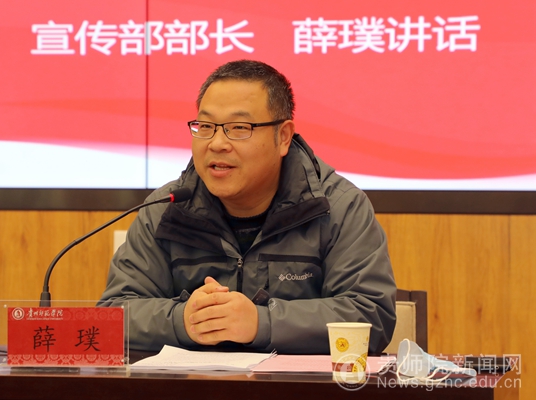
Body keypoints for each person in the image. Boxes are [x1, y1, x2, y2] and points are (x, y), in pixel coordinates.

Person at [99, 59, 397, 355]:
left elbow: (370, 316)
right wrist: (183, 321)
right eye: (206, 126)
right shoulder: (166, 208)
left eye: (239, 128)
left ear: (283, 137)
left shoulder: (337, 207)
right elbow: (113, 315)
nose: (217, 143)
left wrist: (262, 323)